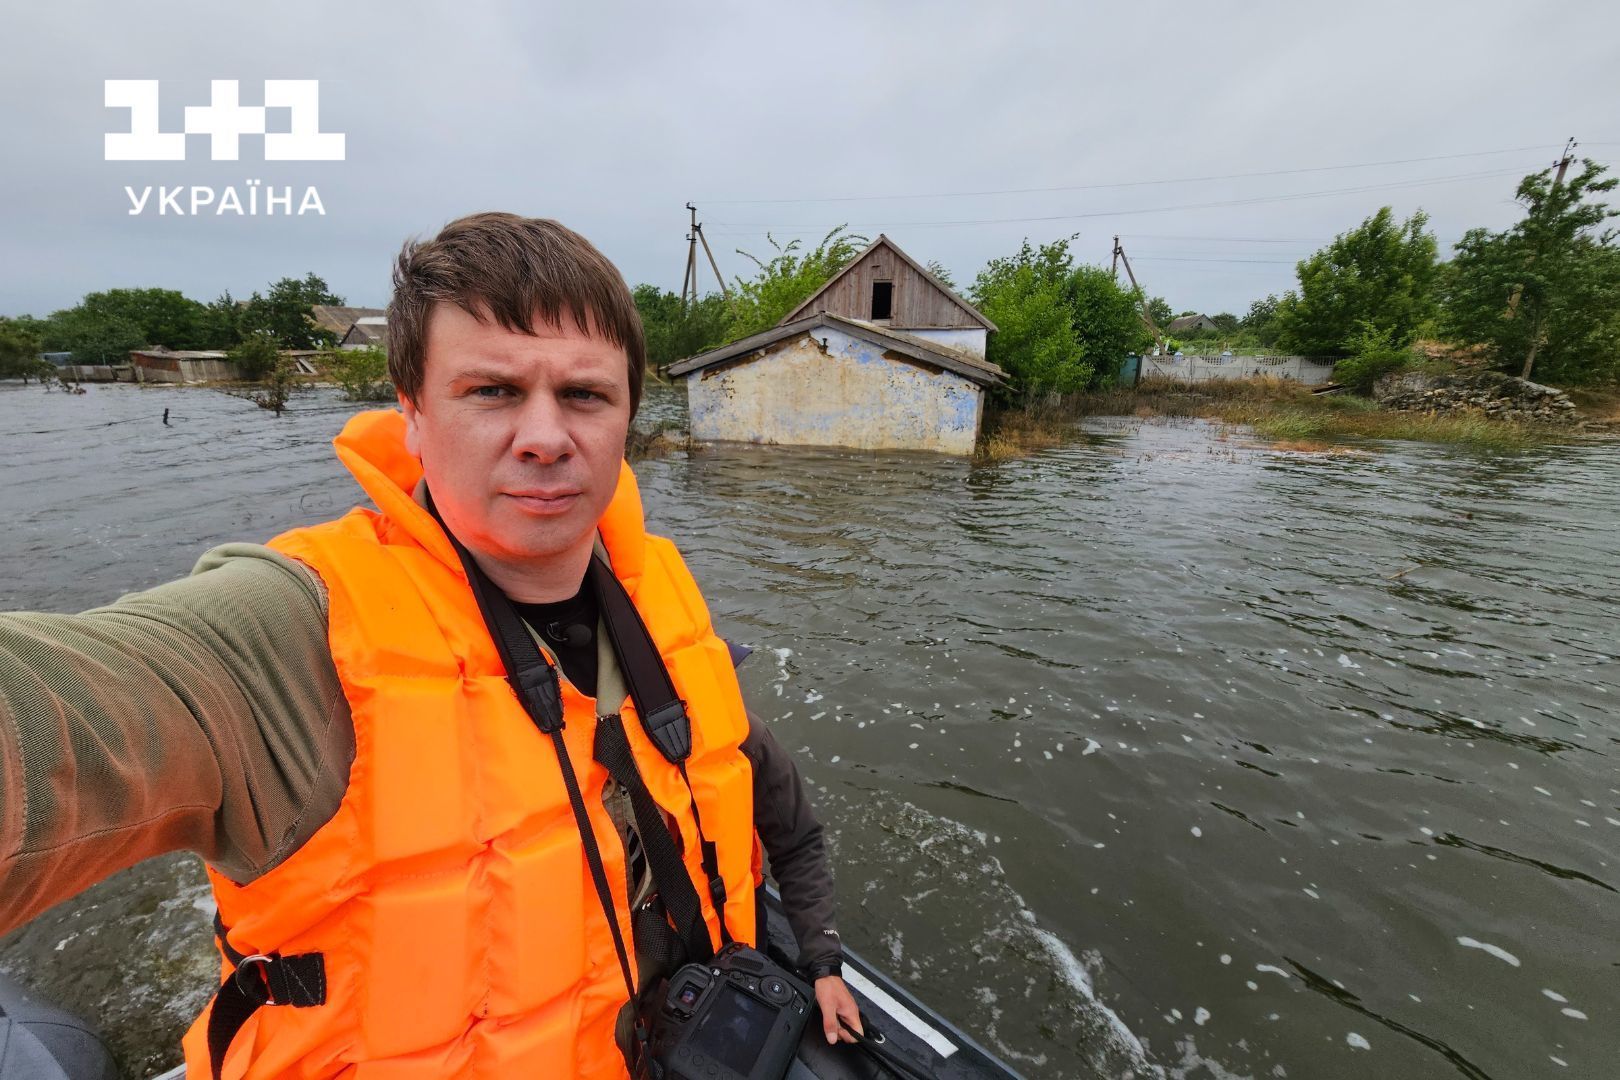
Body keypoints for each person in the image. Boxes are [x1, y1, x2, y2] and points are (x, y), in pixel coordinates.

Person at [0, 212, 860, 1078]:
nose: (545, 437)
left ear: (628, 416)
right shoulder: (297, 635)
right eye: (491, 391)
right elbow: (61, 717)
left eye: (585, 395)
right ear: (410, 412)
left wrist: (820, 957)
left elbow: (782, 811)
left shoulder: (655, 612)